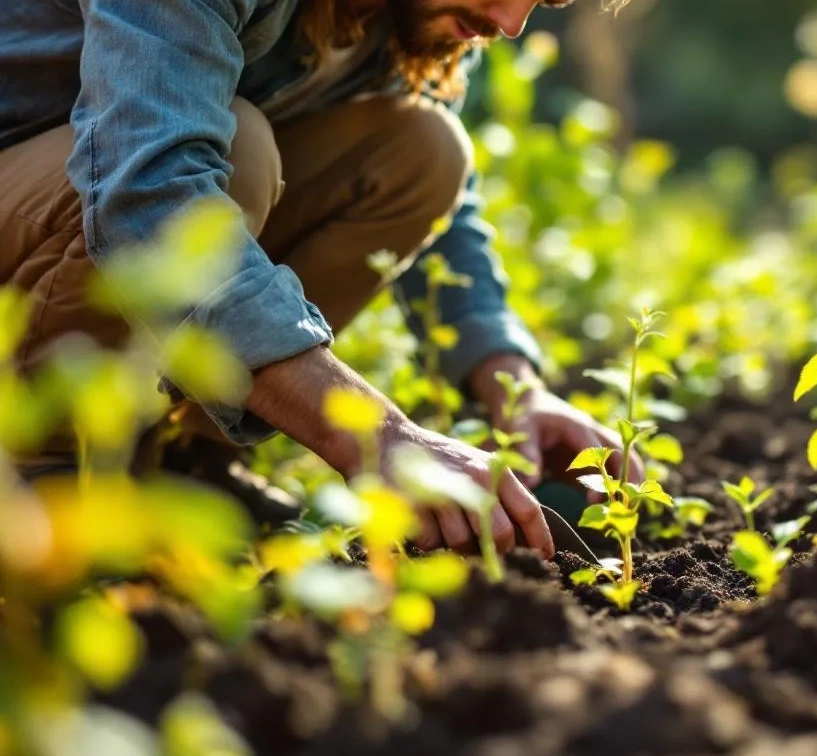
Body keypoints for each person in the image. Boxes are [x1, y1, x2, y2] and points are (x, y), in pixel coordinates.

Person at [0, 0, 643, 559]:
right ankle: (44, 487)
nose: (508, 22)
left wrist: (513, 382)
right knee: (240, 155)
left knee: (423, 152)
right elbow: (149, 196)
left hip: (69, 214)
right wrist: (376, 437)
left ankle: (187, 463)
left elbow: (446, 215)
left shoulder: (415, 16)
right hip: (78, 192)